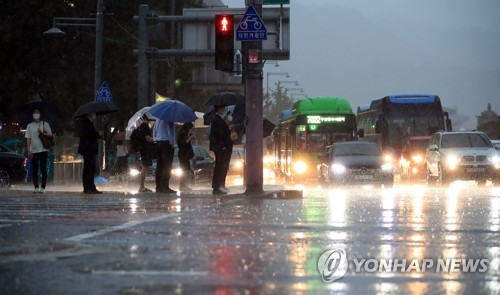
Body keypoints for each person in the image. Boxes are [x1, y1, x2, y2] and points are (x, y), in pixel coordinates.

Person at [25, 108, 53, 194]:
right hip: (34, 150)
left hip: (44, 149)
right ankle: (36, 187)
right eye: (34, 112)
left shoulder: (45, 124)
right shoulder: (29, 126)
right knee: (35, 169)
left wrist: (42, 133)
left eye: (37, 112)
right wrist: (29, 150)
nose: (36, 114)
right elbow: (28, 139)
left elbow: (51, 135)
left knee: (43, 168)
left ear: (40, 114)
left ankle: (43, 187)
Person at [209, 105, 233, 195]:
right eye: (222, 108)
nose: (223, 110)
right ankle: (217, 187)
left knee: (221, 166)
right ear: (219, 109)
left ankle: (219, 185)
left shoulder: (218, 119)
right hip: (220, 147)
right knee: (219, 166)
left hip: (220, 146)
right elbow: (220, 134)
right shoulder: (217, 119)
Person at [78, 112, 102, 194]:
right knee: (89, 169)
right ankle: (89, 187)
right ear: (89, 113)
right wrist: (97, 134)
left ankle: (89, 187)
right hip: (89, 150)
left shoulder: (87, 123)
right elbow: (89, 135)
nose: (94, 114)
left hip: (88, 150)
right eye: (93, 113)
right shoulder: (86, 123)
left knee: (89, 169)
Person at [153, 118, 176, 194]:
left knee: (159, 166)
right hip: (166, 143)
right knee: (167, 166)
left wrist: (155, 139)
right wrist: (172, 143)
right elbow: (170, 132)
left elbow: (154, 131)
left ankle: (158, 186)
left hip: (158, 143)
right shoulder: (169, 119)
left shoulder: (157, 120)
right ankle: (165, 186)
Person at [136, 115, 154, 192]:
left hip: (144, 149)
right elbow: (147, 138)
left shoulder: (142, 126)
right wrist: (156, 139)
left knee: (145, 167)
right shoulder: (144, 126)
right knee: (145, 167)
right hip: (145, 149)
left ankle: (142, 186)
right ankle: (141, 186)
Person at [177, 122, 195, 191]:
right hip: (183, 154)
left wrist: (191, 136)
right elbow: (183, 143)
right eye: (191, 128)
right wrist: (190, 137)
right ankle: (182, 185)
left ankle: (184, 184)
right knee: (184, 170)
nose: (191, 130)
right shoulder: (183, 133)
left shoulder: (186, 133)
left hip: (186, 154)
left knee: (186, 169)